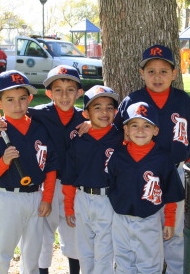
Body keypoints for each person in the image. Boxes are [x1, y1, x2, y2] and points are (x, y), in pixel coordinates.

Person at [115, 44, 190, 274]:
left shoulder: (183, 100)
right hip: (140, 173)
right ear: (141, 73)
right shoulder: (133, 99)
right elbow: (117, 136)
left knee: (174, 229)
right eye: (151, 71)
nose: (157, 76)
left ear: (174, 74)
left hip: (175, 170)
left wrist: (188, 169)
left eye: (164, 71)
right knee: (145, 226)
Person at [0, 65, 84, 274]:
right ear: (49, 93)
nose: (64, 95)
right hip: (34, 189)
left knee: (71, 235)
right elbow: (9, 116)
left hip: (71, 186)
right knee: (37, 241)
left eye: (70, 89)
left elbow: (108, 123)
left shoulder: (81, 117)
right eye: (58, 89)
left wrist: (91, 123)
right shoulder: (39, 114)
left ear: (79, 93)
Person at [0, 70, 60, 274]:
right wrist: (4, 161)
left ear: (30, 99)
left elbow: (50, 166)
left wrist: (47, 198)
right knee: (2, 254)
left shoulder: (39, 128)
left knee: (32, 256)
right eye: (10, 99)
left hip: (36, 197)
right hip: (9, 200)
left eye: (22, 98)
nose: (17, 105)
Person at [107, 101, 185, 274]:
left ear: (156, 130)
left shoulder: (163, 159)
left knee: (149, 265)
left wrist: (170, 222)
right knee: (123, 263)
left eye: (147, 125)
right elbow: (110, 185)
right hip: (120, 220)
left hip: (149, 219)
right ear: (126, 130)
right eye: (134, 125)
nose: (140, 130)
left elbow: (172, 193)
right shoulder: (117, 156)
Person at [62, 85, 122, 274]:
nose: (104, 112)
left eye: (109, 107)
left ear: (116, 111)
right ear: (86, 113)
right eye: (97, 107)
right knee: (84, 251)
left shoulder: (121, 138)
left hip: (107, 199)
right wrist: (68, 206)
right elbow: (70, 176)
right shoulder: (79, 139)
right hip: (82, 198)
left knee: (104, 252)